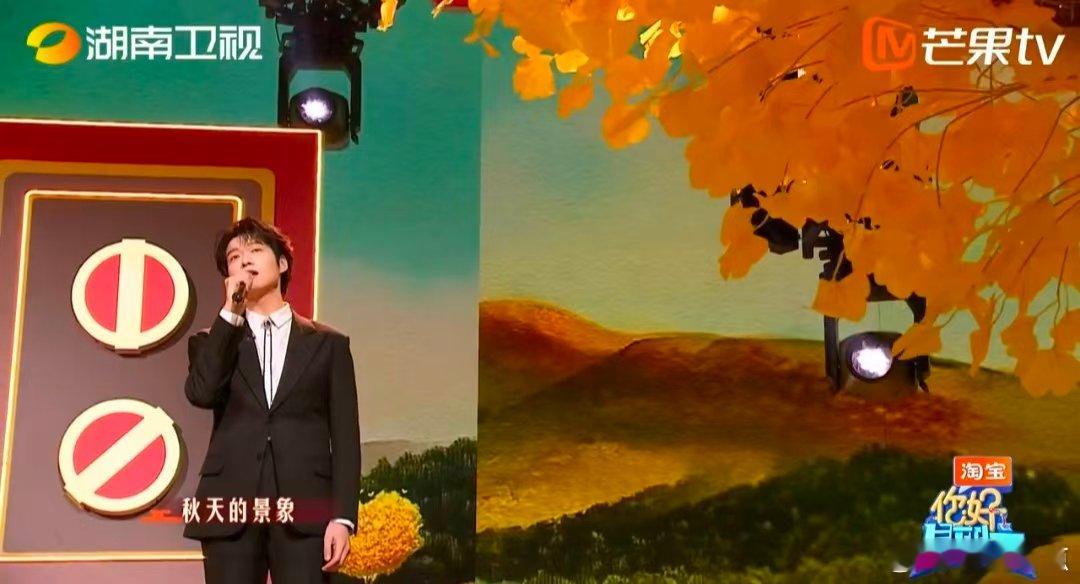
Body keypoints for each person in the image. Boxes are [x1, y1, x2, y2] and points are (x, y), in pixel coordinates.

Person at [182, 217, 361, 584]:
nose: (244, 260)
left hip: (306, 511)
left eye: (255, 250)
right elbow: (202, 392)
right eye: (234, 257)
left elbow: (345, 437)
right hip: (230, 509)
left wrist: (342, 517)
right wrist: (231, 312)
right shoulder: (212, 341)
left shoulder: (329, 345)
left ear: (281, 264)